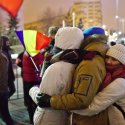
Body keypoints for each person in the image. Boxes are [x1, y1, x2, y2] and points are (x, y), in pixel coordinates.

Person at [33, 26, 110, 125]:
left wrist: (33, 91)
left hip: (54, 118)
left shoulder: (89, 62)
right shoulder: (80, 59)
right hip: (69, 116)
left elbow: (81, 99)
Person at [29, 27, 84, 125]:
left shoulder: (56, 68)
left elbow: (42, 99)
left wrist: (32, 90)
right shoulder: (78, 64)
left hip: (47, 118)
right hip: (63, 117)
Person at [72, 44, 125, 125]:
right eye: (107, 57)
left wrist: (67, 107)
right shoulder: (110, 74)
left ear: (122, 63)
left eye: (114, 59)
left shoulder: (120, 83)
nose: (108, 61)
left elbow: (93, 107)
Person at [22, 51, 44, 124]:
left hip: (27, 79)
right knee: (35, 100)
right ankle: (34, 120)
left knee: (29, 101)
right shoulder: (35, 53)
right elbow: (40, 64)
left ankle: (32, 119)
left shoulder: (26, 52)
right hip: (34, 79)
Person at [0, 38, 15, 125]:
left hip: (1, 90)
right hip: (2, 90)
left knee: (5, 115)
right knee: (4, 114)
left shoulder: (2, 58)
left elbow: (2, 76)